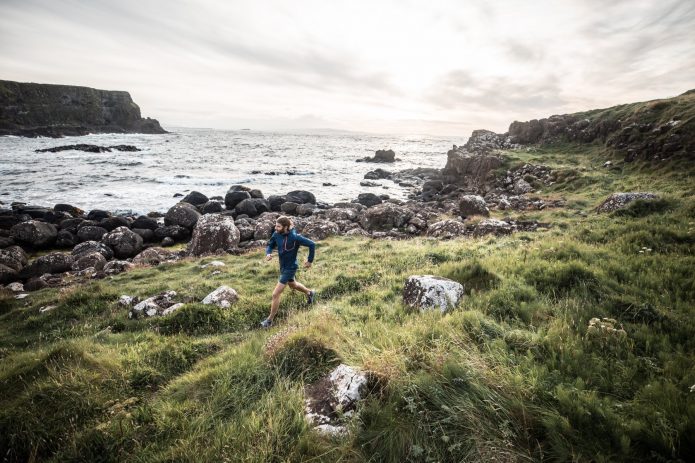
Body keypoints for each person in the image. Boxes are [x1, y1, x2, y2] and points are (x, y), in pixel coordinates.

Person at [261, 216, 316, 328]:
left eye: (278, 226)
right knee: (293, 285)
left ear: (285, 227)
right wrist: (268, 253)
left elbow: (312, 244)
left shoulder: (295, 237)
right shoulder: (276, 234)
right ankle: (310, 293)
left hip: (291, 268)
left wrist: (310, 261)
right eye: (275, 225)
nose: (275, 228)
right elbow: (270, 245)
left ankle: (269, 321)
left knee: (275, 294)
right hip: (283, 267)